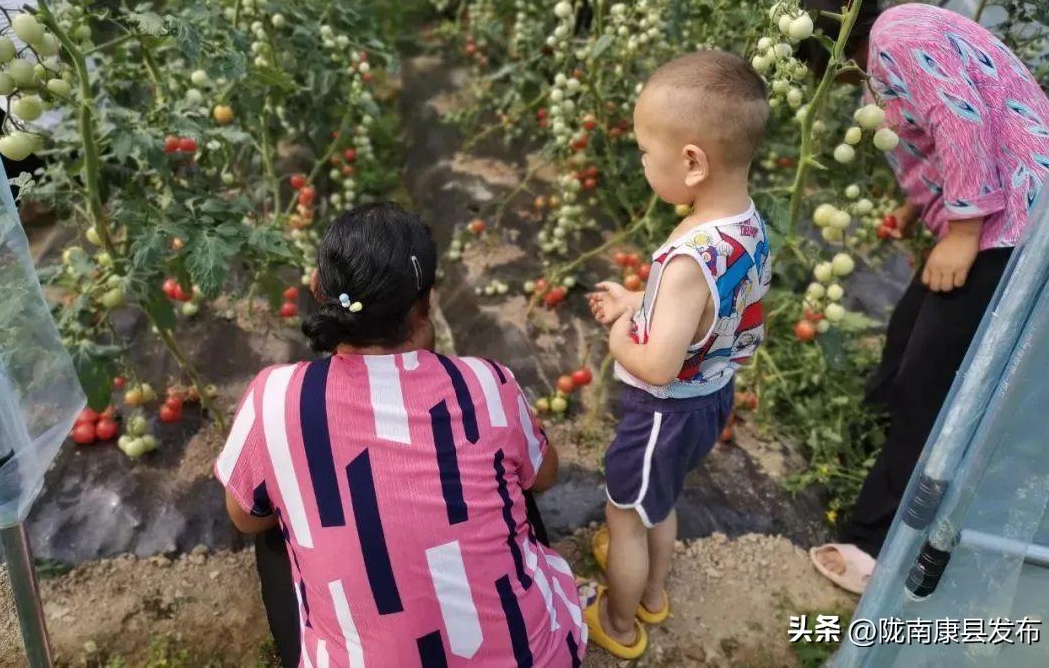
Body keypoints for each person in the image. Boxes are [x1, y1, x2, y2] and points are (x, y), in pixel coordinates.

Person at [215, 203, 586, 667]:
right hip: (536, 658)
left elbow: (245, 519)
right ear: (424, 305)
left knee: (270, 519)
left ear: (317, 288)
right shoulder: (487, 384)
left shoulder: (275, 398)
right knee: (514, 476)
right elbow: (544, 476)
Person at [804, 0, 1049, 594]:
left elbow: (961, 122)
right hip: (999, 216)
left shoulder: (896, 38)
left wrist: (963, 234)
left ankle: (875, 543)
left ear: (831, 52)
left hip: (1014, 224)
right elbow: (929, 142)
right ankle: (866, 464)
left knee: (930, 379)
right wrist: (921, 216)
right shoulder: (890, 53)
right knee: (904, 346)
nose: (831, 84)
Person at [584, 50, 772, 658]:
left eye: (644, 151)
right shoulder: (745, 227)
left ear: (691, 162)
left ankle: (618, 620)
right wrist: (639, 298)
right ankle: (655, 590)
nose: (641, 161)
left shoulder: (689, 256)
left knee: (625, 515)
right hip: (711, 399)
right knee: (658, 501)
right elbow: (707, 310)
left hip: (662, 410)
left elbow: (659, 363)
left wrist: (619, 336)